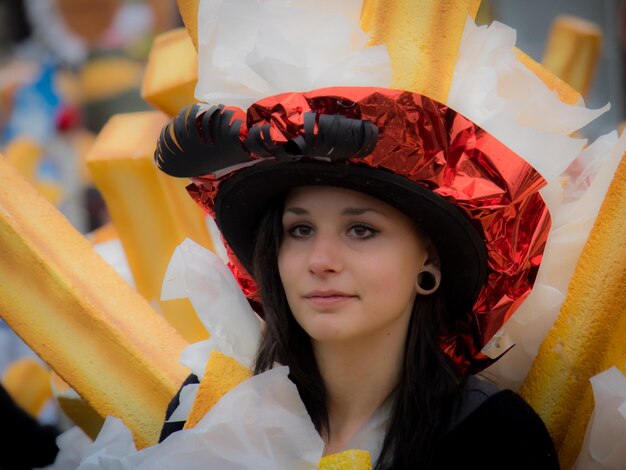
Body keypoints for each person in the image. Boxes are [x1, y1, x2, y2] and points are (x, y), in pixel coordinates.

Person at [155, 87, 559, 468]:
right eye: (300, 230)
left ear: (430, 261)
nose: (321, 261)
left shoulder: (495, 438)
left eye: (361, 230)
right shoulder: (206, 410)